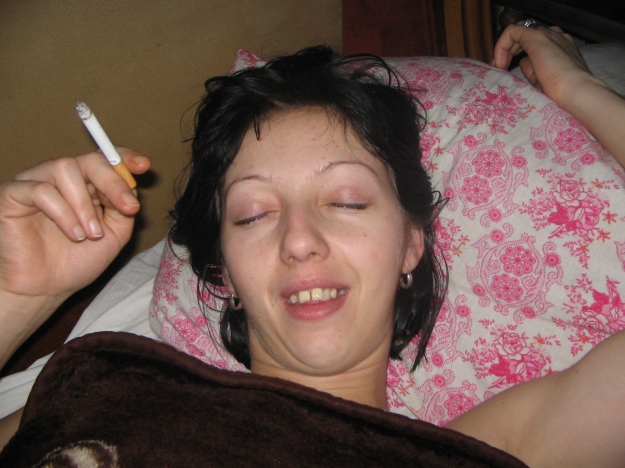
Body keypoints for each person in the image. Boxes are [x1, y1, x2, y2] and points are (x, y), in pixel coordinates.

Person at [1, 24, 625, 467]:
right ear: (224, 272)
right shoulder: (108, 380)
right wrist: (15, 299)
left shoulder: (486, 449)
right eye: (253, 215)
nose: (299, 240)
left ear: (411, 245)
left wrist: (577, 87)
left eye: (347, 201)